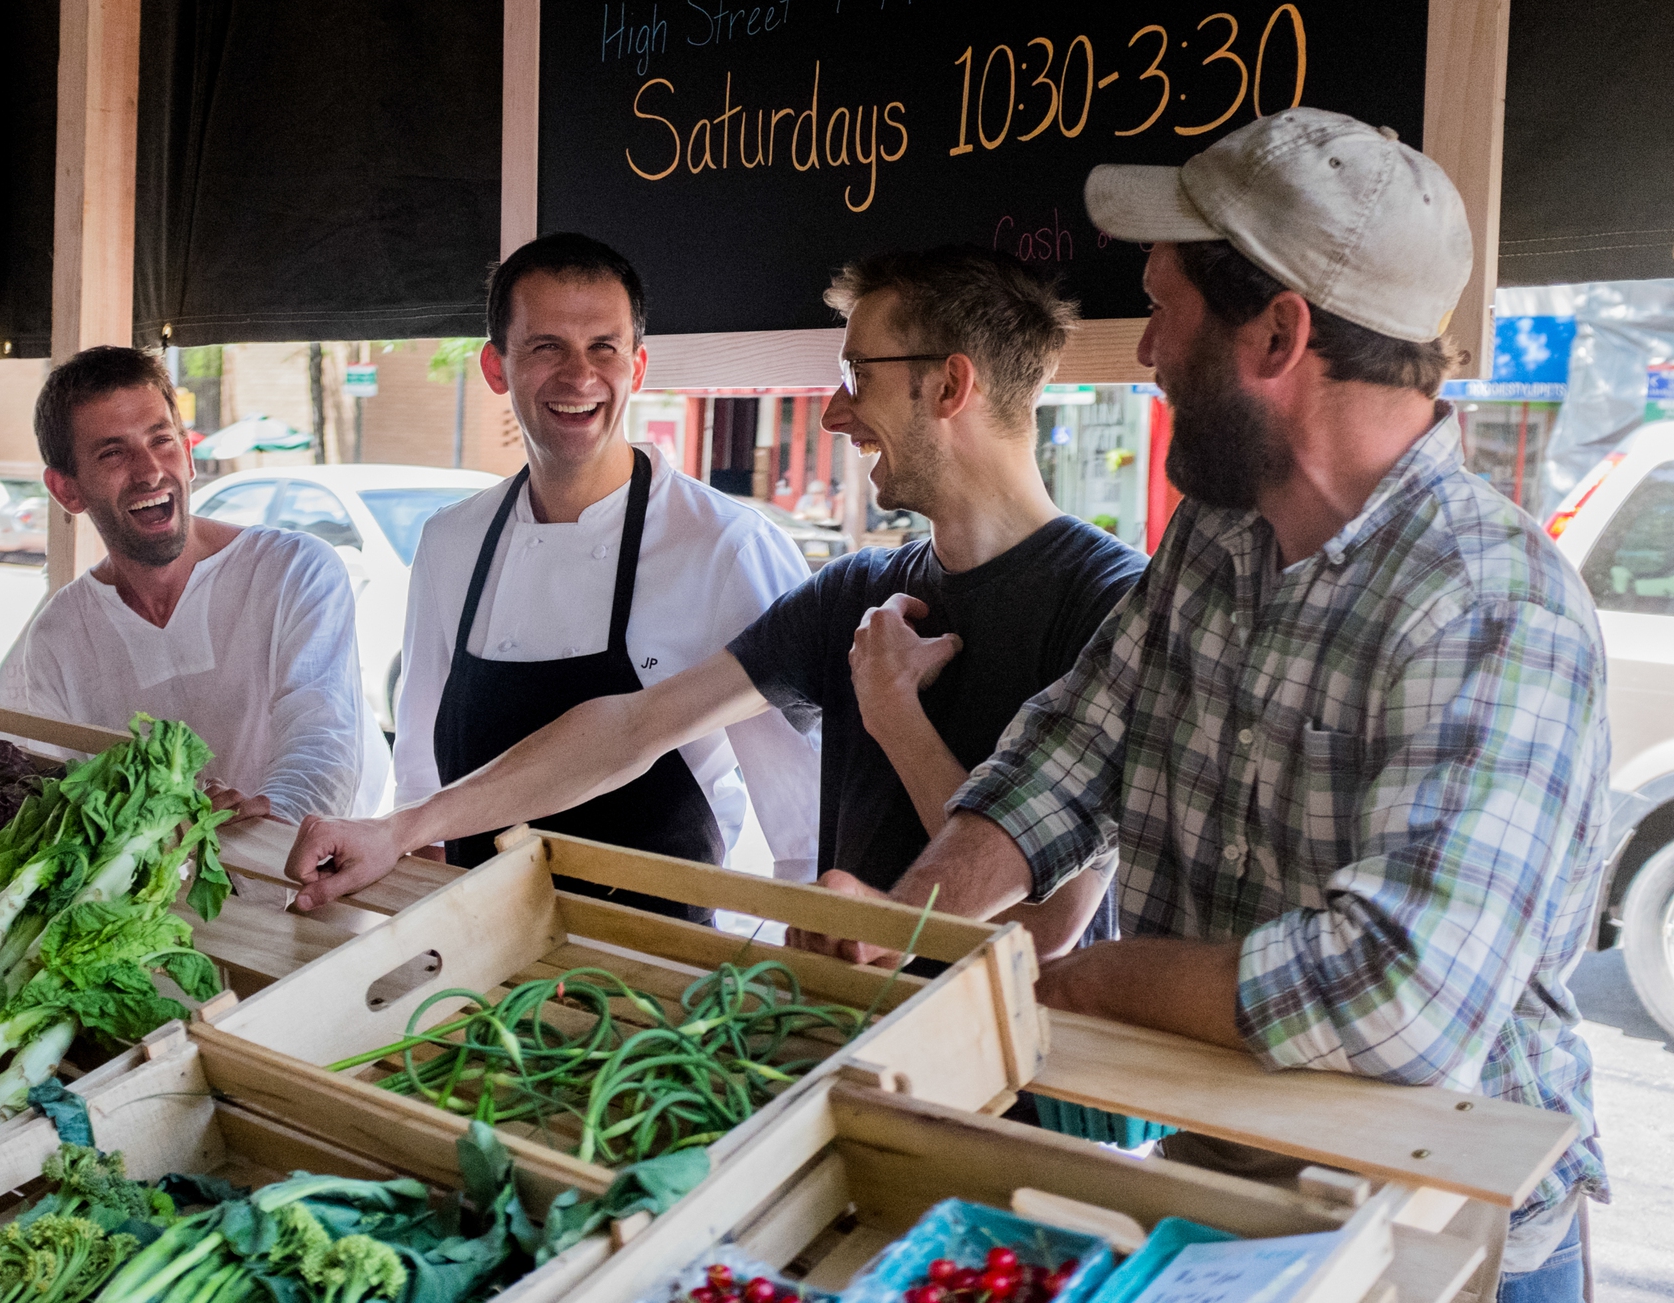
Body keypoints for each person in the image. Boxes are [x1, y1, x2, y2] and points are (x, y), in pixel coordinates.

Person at [848, 112, 1604, 1298]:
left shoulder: (1492, 605)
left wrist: (1072, 977)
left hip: (1444, 1239)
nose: (1144, 348)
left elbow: (1396, 997)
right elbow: (1074, 748)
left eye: (1162, 306)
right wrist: (908, 927)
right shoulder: (1216, 532)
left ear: (1276, 333)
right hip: (1220, 1178)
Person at [287, 245, 1143, 953]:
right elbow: (630, 727)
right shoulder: (857, 590)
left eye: (859, 374)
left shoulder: (1110, 603)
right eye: (545, 346)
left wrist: (896, 717)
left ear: (950, 387)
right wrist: (402, 827)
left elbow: (1050, 923)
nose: (836, 413)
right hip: (855, 1042)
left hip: (1019, 1084)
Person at [340, 232, 820, 920]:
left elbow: (805, 821)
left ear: (639, 365)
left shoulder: (725, 548)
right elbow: (419, 777)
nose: (579, 376)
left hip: (659, 965)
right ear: (496, 367)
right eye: (546, 347)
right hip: (483, 952)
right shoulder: (451, 543)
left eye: (604, 347)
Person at [0, 344, 388, 824]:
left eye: (161, 441)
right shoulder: (58, 637)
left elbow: (324, 740)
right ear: (66, 490)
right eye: (113, 453)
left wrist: (273, 815)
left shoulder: (294, 571)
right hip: (156, 896)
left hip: (309, 881)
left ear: (187, 454)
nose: (150, 471)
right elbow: (54, 794)